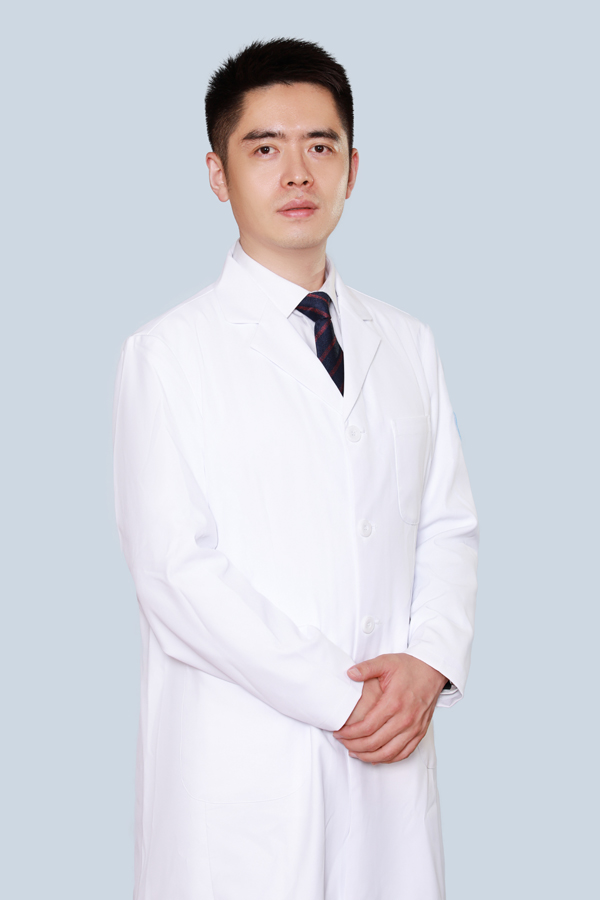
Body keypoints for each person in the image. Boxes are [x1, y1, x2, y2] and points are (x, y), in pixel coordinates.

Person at [113, 37, 478, 900]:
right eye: (264, 148)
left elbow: (448, 525)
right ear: (217, 174)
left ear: (354, 167)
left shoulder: (408, 343)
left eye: (321, 145)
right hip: (241, 771)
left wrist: (428, 662)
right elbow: (174, 571)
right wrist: (340, 697)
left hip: (389, 759)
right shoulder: (165, 354)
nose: (297, 173)